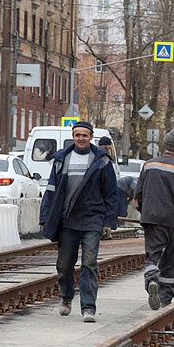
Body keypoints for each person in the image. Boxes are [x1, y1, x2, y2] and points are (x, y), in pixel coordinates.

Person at [39, 121, 122, 322]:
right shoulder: (62, 160)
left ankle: (88, 307)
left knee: (89, 263)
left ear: (91, 137)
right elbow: (51, 191)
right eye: (77, 135)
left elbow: (111, 193)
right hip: (68, 220)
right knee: (65, 265)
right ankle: (66, 297)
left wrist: (108, 221)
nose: (81, 138)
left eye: (85, 135)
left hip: (92, 219)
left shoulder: (101, 161)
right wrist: (45, 217)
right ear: (73, 136)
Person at [135, 131, 174, 309]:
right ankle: (165, 297)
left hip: (151, 217)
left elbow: (138, 193)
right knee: (169, 258)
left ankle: (152, 279)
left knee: (152, 253)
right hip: (172, 220)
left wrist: (143, 210)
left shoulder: (148, 165)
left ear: (164, 145)